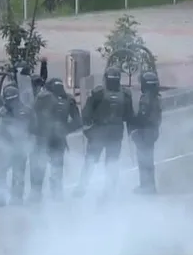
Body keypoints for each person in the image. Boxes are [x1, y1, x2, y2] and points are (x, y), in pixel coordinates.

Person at [76, 67, 135, 196]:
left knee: (90, 160)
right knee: (112, 162)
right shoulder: (126, 94)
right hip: (116, 133)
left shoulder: (98, 92)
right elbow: (129, 116)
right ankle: (110, 191)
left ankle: (82, 187)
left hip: (99, 132)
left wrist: (87, 130)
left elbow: (86, 114)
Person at [30, 77, 81, 200]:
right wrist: (65, 130)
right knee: (56, 167)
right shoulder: (68, 99)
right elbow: (78, 122)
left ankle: (36, 195)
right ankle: (57, 195)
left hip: (43, 139)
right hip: (59, 140)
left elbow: (32, 116)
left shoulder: (42, 98)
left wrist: (33, 132)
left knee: (39, 166)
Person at [0, 85, 34, 205]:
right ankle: (6, 198)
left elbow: (32, 128)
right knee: (5, 172)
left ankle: (13, 197)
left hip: (15, 146)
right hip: (8, 146)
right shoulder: (5, 111)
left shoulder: (21, 111)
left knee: (13, 173)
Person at [131, 70, 162, 194]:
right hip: (153, 131)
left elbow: (142, 117)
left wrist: (133, 126)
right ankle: (150, 186)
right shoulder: (157, 98)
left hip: (145, 132)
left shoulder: (146, 99)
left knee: (143, 160)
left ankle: (146, 186)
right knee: (149, 159)